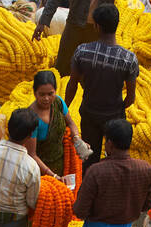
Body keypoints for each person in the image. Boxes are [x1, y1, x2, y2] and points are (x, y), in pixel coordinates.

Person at [65, 4, 138, 167]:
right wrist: (119, 108)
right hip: (114, 116)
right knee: (114, 160)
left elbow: (72, 84)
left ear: (97, 26)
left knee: (89, 158)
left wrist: (65, 110)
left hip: (89, 114)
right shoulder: (129, 59)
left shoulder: (82, 52)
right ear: (117, 25)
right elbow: (131, 98)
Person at [72, 118, 151, 227]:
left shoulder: (96, 171)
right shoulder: (145, 169)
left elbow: (80, 210)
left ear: (109, 144)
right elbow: (148, 204)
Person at [26, 70, 85, 178]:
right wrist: (52, 175)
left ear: (55, 91)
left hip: (62, 163)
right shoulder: (30, 117)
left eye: (50, 93)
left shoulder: (58, 103)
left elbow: (71, 123)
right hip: (40, 170)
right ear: (35, 93)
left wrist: (77, 139)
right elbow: (32, 154)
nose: (46, 98)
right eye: (42, 94)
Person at [34, 0, 98, 78]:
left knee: (88, 70)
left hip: (96, 28)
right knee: (62, 65)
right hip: (74, 23)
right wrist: (42, 22)